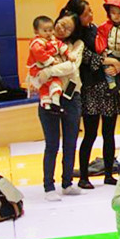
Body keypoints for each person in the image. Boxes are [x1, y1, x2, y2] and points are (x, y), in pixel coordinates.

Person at [60, 0, 120, 187]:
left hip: (108, 86)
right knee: (90, 134)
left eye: (90, 10)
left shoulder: (95, 28)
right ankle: (84, 176)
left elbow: (107, 51)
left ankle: (108, 174)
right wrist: (110, 62)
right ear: (77, 16)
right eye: (86, 13)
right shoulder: (74, 37)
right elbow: (87, 58)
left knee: (109, 133)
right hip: (90, 87)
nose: (91, 14)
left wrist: (116, 65)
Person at [30, 12, 84, 201]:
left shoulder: (77, 45)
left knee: (70, 143)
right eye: (60, 24)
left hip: (71, 97)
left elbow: (71, 67)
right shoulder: (40, 44)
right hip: (48, 98)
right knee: (52, 144)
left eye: (68, 27)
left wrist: (47, 71)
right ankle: (48, 186)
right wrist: (42, 74)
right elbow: (34, 74)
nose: (61, 29)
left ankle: (67, 182)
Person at [27, 15, 73, 113]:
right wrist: (51, 60)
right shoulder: (37, 42)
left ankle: (54, 104)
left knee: (54, 84)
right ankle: (48, 104)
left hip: (50, 71)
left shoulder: (53, 40)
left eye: (50, 30)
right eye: (45, 31)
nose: (48, 33)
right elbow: (39, 53)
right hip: (37, 69)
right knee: (47, 85)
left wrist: (69, 54)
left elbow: (61, 46)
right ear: (36, 31)